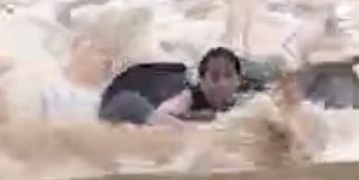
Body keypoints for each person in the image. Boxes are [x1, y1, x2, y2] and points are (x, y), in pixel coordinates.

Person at [98, 46, 248, 127]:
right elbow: (164, 115)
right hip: (123, 96)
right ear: (202, 81)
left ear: (238, 80)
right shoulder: (187, 98)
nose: (222, 84)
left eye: (228, 76)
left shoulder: (243, 98)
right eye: (214, 77)